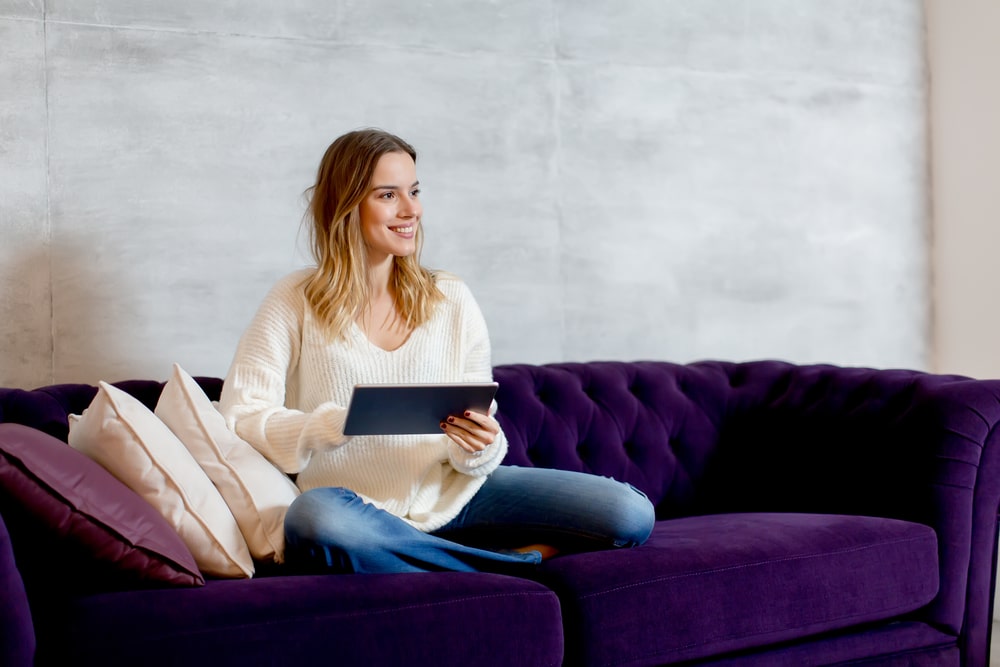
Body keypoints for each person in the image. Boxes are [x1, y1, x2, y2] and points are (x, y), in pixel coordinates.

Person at [219, 128, 655, 574]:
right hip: (356, 510)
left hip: (456, 495)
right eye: (388, 195)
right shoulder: (294, 299)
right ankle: (505, 565)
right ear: (345, 205)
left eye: (414, 191)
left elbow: (475, 438)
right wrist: (332, 424)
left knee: (628, 512)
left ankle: (421, 561)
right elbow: (241, 416)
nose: (412, 210)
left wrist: (479, 445)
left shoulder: (450, 297)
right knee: (313, 519)